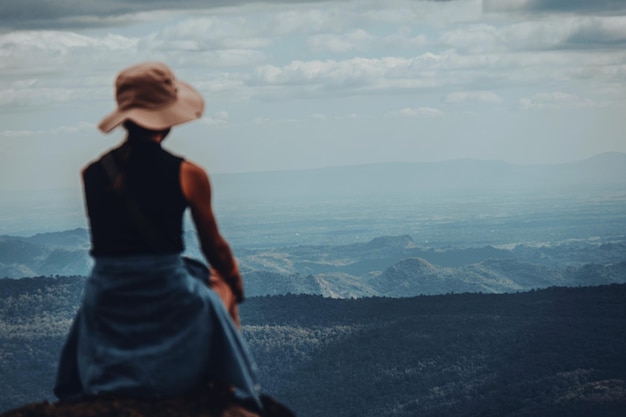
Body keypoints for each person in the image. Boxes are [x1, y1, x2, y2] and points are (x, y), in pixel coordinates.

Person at [53, 62, 261, 410]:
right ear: (167, 117)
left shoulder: (91, 173)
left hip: (107, 289)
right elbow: (215, 247)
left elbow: (115, 246)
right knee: (218, 287)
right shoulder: (188, 173)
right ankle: (225, 389)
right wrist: (235, 283)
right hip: (167, 285)